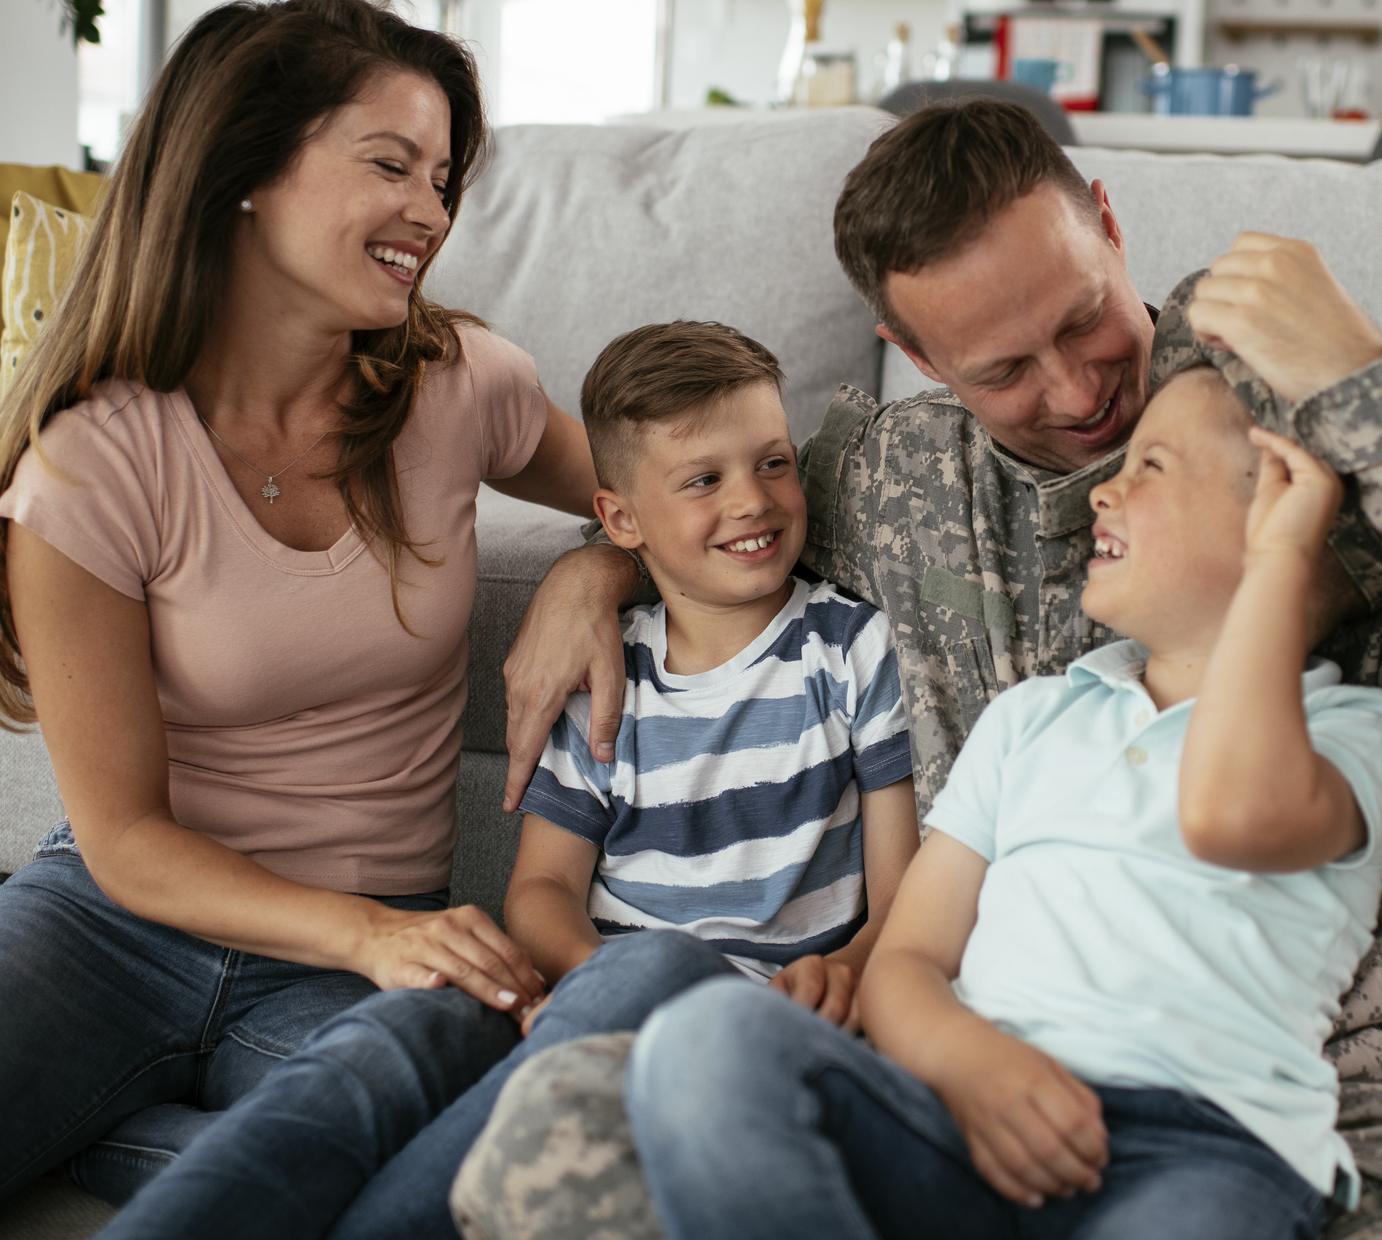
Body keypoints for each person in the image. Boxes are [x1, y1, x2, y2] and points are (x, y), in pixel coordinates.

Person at [493, 98, 1382, 1237]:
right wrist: (596, 571)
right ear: (914, 354)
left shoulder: (1290, 429)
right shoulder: (894, 481)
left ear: (1110, 224)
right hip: (966, 1063)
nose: (1075, 392)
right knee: (575, 1141)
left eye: (1083, 320)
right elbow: (714, 525)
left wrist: (1380, 391)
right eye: (1003, 370)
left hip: (1307, 1094)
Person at [0, 0, 594, 1239]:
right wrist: (369, 935)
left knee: (447, 1143)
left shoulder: (460, 383)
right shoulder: (91, 466)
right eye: (391, 165)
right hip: (114, 924)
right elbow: (127, 841)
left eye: (442, 179)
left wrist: (592, 574)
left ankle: (42, 1103)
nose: (431, 211)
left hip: (359, 963)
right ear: (245, 170)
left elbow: (664, 503)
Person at [94, 321, 922, 1240]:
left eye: (774, 463)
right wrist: (601, 983)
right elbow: (540, 893)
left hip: (751, 1034)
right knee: (413, 1033)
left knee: (648, 985)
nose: (752, 500)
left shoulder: (852, 650)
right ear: (620, 520)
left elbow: (903, 898)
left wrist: (845, 973)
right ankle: (127, 1147)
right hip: (594, 997)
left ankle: (131, 1148)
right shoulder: (604, 676)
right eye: (704, 480)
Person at [628, 365, 1382, 1240]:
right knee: (705, 1041)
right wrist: (972, 1068)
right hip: (967, 1119)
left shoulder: (1353, 732)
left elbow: (1228, 813)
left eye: (1150, 467)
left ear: (1282, 522)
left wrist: (1277, 563)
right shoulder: (1033, 718)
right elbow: (908, 958)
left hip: (1202, 1151)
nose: (1102, 492)